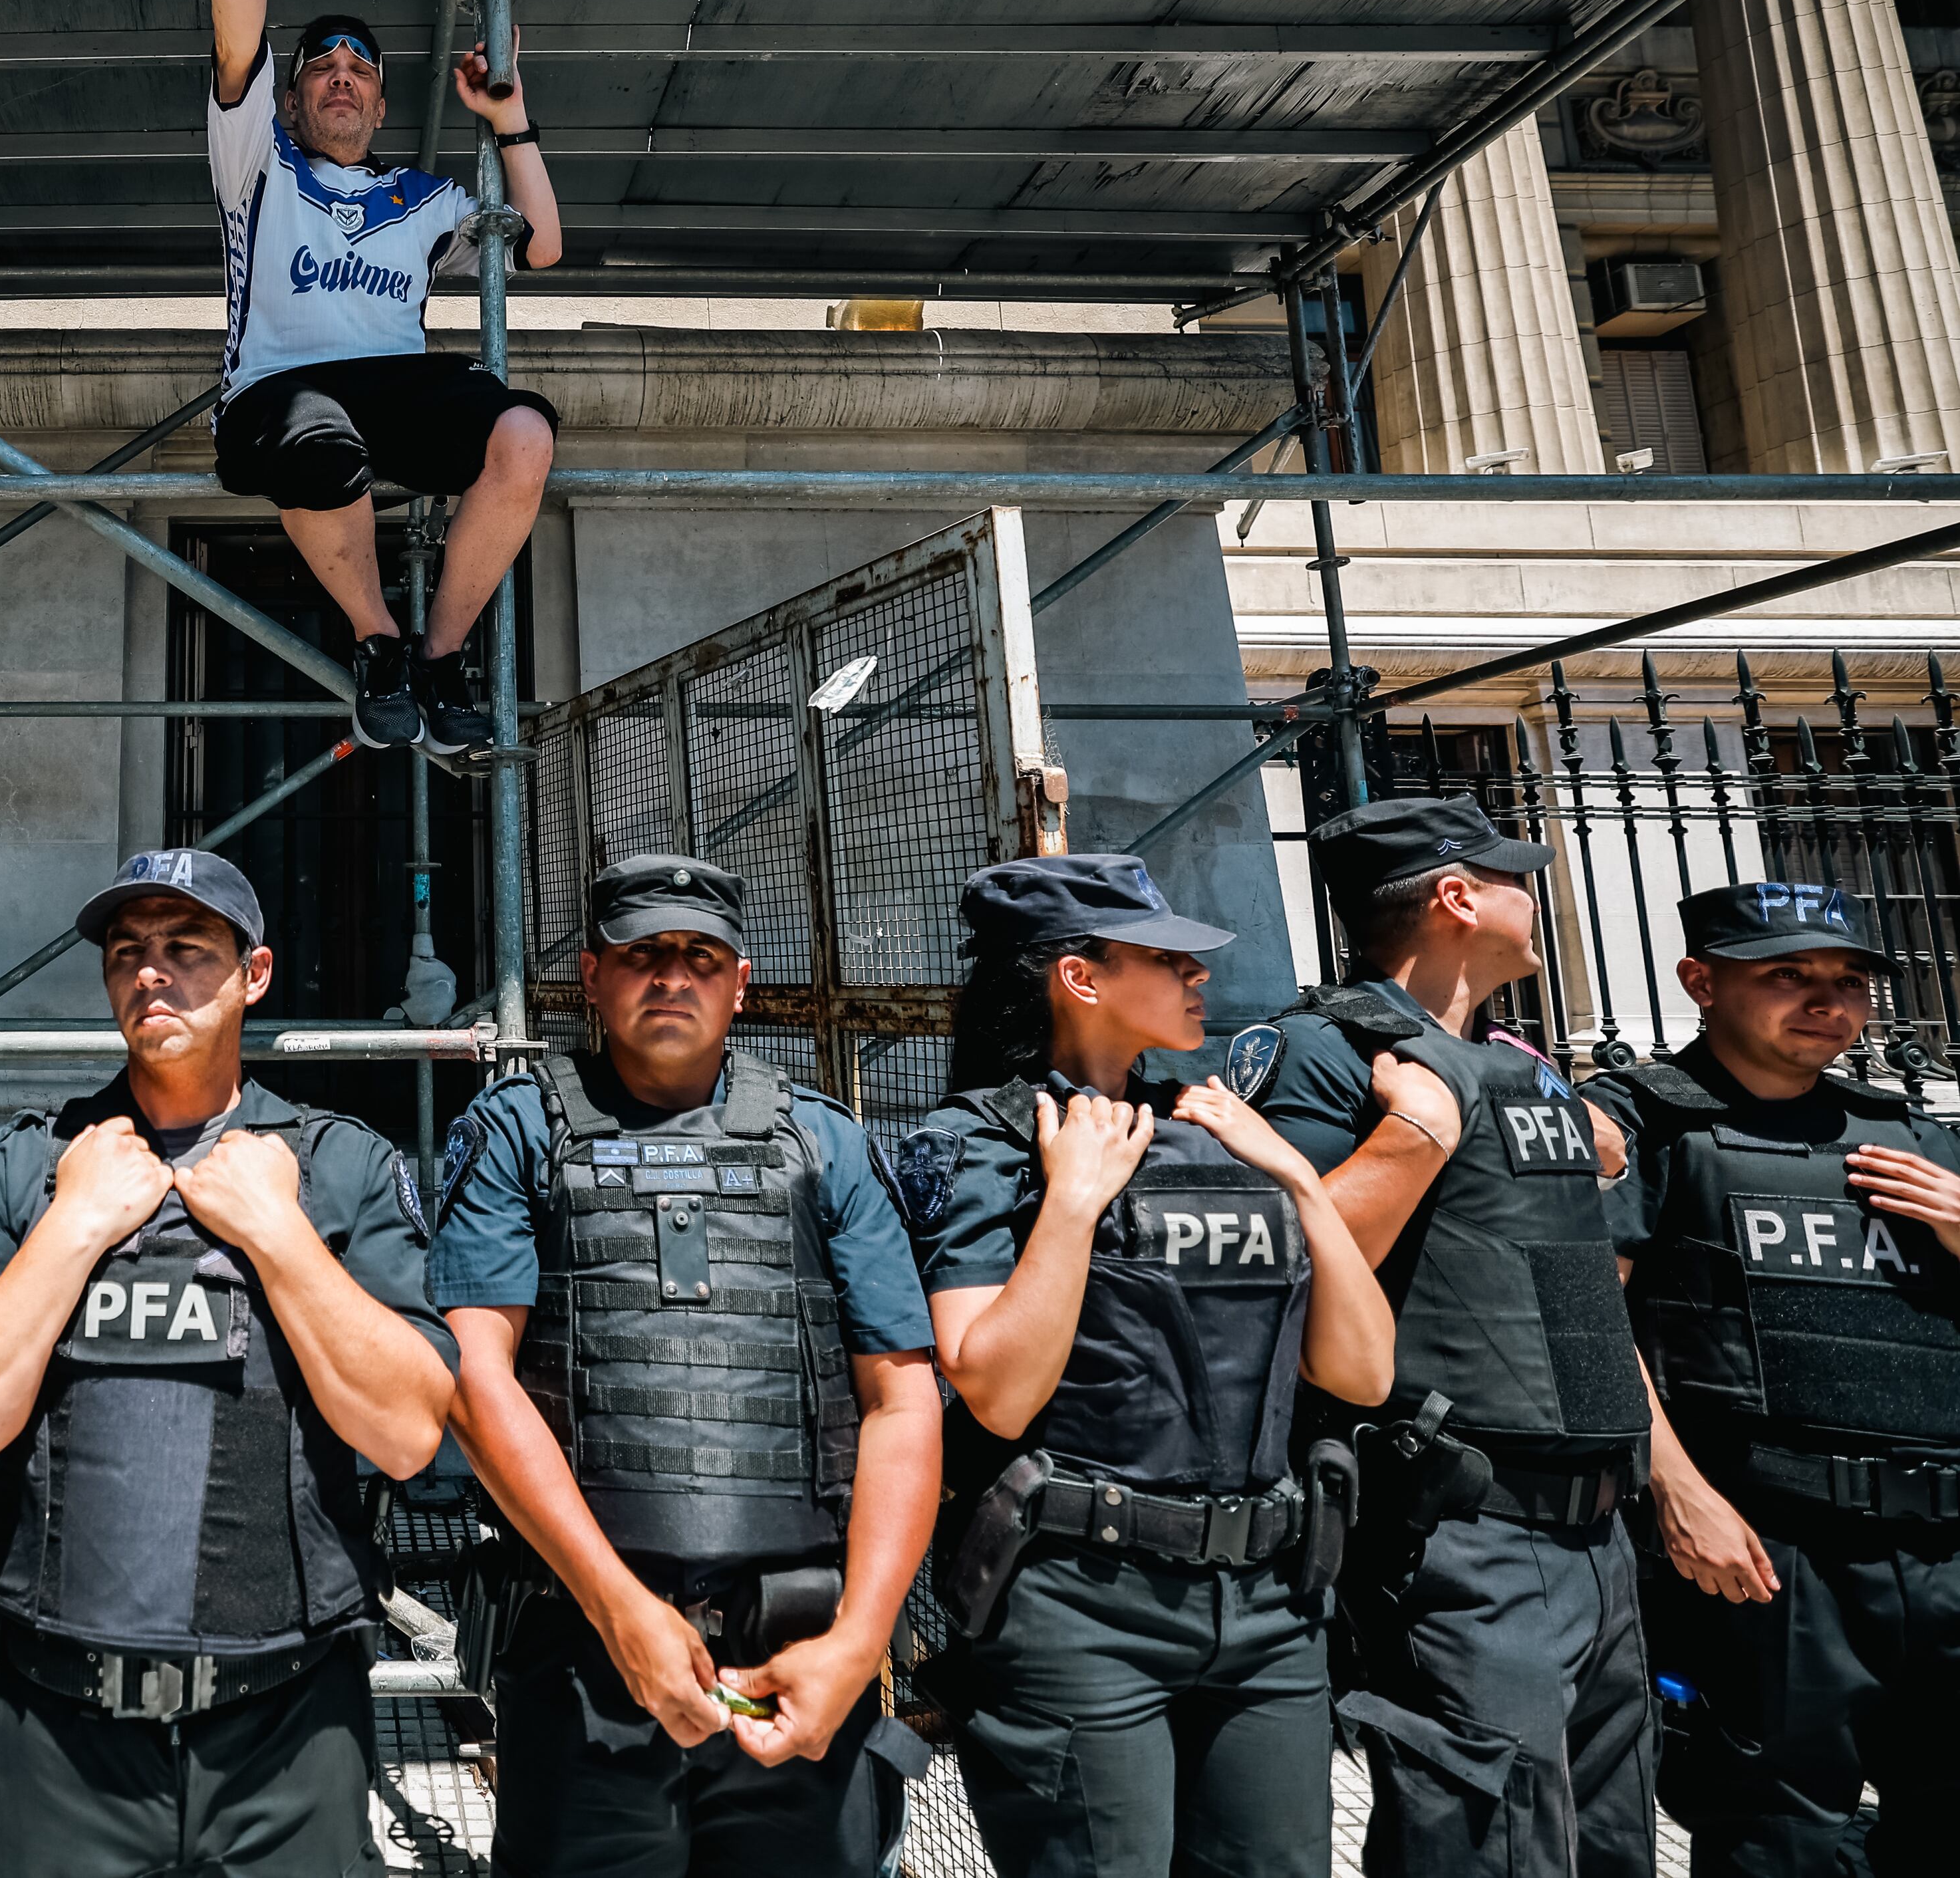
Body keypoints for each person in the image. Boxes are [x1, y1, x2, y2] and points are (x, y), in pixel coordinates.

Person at [0, 847, 457, 1878]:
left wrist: (280, 1237)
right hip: (57, 1733)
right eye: (128, 952)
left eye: (188, 949)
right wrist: (71, 1228)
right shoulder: (35, 1165)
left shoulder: (339, 1168)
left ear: (256, 974)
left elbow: (412, 1433)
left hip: (288, 1734)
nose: (152, 973)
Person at [430, 854, 944, 1875]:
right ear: (591, 976)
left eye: (699, 957)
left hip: (799, 1658)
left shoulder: (824, 1144)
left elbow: (903, 1401)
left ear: (741, 983)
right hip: (582, 1652)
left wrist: (857, 1649)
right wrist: (622, 1610)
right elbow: (472, 1379)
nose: (672, 977)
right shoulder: (518, 1131)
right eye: (644, 955)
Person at [890, 855, 1393, 1877]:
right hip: (1081, 1601)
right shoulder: (983, 1143)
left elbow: (1363, 1373)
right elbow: (994, 1386)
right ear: (1081, 976)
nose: (1200, 977)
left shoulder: (1223, 1126)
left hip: (1270, 1604)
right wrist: (1072, 1200)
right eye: (1168, 960)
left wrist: (1298, 1177)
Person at [1242, 795, 1657, 1878]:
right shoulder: (1331, 1055)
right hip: (1467, 1533)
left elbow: (1576, 1289)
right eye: (1517, 873)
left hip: (1599, 1528)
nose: (1540, 892)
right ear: (1457, 896)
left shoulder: (1518, 1063)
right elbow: (1278, 1274)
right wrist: (1415, 1135)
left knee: (1607, 1845)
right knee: (1485, 1850)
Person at [1582, 881, 1960, 1875]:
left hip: (1944, 1544)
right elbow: (1587, 1321)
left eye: (1846, 979)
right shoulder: (1645, 1129)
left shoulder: (1914, 1137)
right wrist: (1678, 1492)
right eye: (1785, 975)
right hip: (1769, 1551)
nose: (1825, 999)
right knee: (1779, 1836)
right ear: (1700, 981)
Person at [206, 0, 565, 756]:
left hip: (394, 390)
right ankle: (377, 642)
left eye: (358, 66)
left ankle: (439, 656)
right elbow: (238, 36)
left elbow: (539, 244)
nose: (339, 77)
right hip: (279, 398)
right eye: (318, 64)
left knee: (525, 433)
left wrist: (511, 116)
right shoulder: (256, 162)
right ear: (293, 95)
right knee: (320, 436)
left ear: (379, 95)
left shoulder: (420, 198)